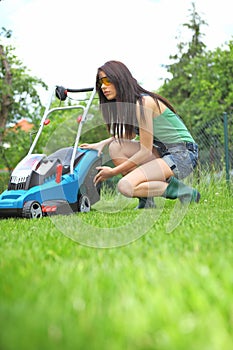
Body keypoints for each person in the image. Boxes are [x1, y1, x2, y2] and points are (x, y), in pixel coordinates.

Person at [80, 60, 200, 208]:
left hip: (183, 154)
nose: (104, 86)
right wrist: (102, 143)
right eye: (100, 83)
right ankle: (147, 201)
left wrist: (113, 172)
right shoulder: (130, 106)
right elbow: (129, 135)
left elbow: (145, 151)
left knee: (125, 186)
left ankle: (184, 192)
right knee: (116, 147)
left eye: (107, 81)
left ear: (120, 79)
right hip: (163, 152)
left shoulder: (143, 103)